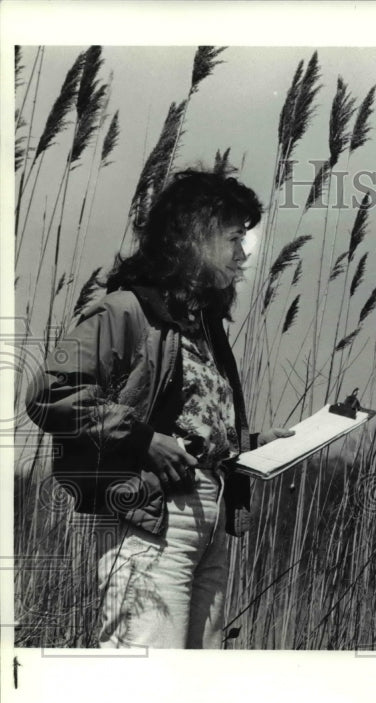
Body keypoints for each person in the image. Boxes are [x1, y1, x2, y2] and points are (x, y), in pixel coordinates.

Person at [26, 169, 293, 650]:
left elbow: (188, 427)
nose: (243, 253)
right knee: (143, 675)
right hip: (153, 513)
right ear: (195, 236)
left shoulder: (206, 329)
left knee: (193, 685)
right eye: (234, 238)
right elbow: (51, 393)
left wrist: (251, 445)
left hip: (211, 518)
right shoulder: (124, 311)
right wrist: (143, 440)